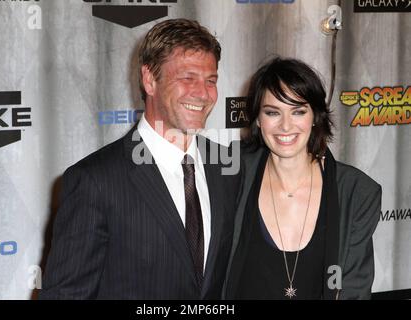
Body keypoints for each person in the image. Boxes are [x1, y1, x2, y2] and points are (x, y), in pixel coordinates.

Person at [38, 19, 241, 300]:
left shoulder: (226, 168)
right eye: (187, 78)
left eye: (211, 80)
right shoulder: (95, 181)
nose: (203, 93)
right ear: (149, 80)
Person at [223, 57, 381, 300]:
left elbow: (353, 290)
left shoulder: (356, 192)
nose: (285, 126)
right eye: (272, 112)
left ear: (315, 116)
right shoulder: (230, 176)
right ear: (257, 118)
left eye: (298, 111)